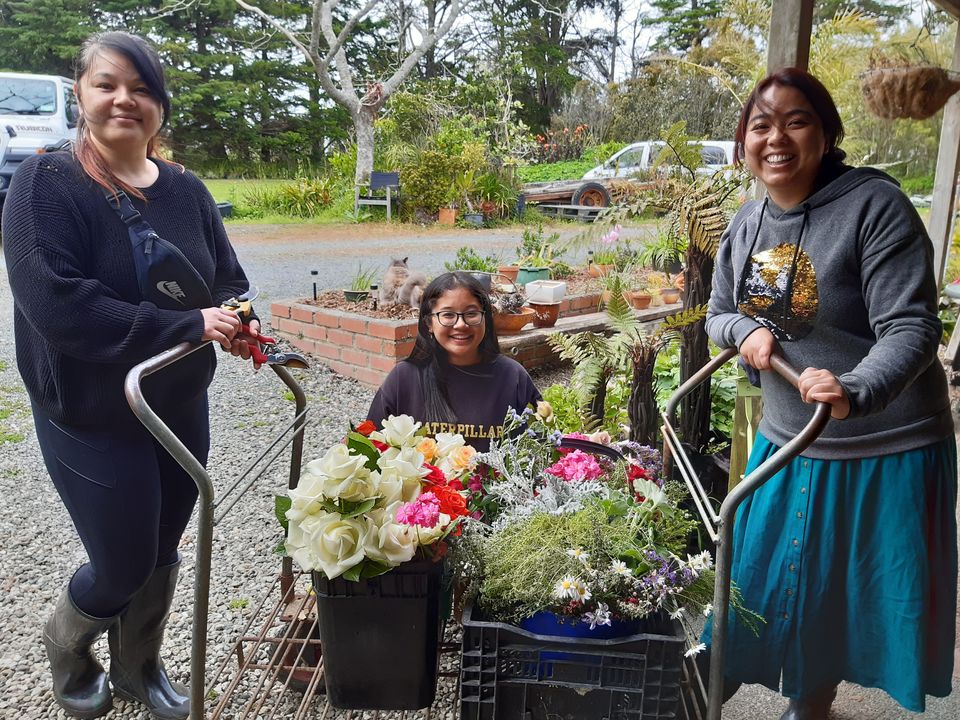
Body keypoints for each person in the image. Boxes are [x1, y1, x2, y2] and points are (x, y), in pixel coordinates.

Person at [2, 32, 260, 719]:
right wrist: (186, 326)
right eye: (107, 84)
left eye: (142, 88)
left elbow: (226, 280)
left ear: (160, 105)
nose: (125, 100)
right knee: (121, 561)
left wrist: (240, 319)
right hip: (91, 409)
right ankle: (67, 645)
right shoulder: (45, 185)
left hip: (177, 401)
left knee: (164, 544)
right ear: (80, 95)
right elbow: (59, 305)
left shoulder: (186, 189)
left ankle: (138, 667)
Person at [704, 67, 957, 719]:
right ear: (743, 140)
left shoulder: (874, 207)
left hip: (883, 441)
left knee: (843, 593)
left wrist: (855, 386)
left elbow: (912, 325)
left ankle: (811, 701)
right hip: (789, 437)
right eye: (761, 124)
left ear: (826, 134)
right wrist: (745, 330)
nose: (776, 138)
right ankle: (707, 689)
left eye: (797, 121)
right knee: (757, 578)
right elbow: (718, 312)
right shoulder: (750, 220)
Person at [367, 272, 541, 451]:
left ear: (485, 318)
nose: (460, 324)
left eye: (471, 313)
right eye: (448, 315)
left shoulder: (512, 377)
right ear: (429, 323)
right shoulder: (403, 379)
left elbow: (542, 444)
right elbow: (370, 448)